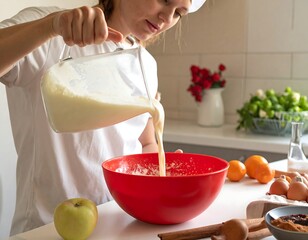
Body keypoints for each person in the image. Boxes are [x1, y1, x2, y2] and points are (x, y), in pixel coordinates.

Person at [0, 0, 206, 235]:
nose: (167, 18)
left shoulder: (145, 64)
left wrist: (159, 173)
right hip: (48, 229)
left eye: (179, 13)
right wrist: (51, 26)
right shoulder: (50, 34)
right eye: (164, 0)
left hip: (118, 226)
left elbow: (146, 142)